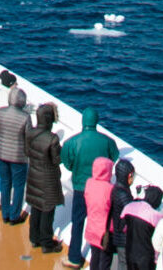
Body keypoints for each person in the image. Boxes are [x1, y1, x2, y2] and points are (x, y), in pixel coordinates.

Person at [63, 105, 120, 263]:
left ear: (83, 121)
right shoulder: (107, 141)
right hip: (101, 191)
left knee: (77, 222)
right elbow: (114, 157)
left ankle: (74, 257)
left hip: (81, 187)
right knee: (102, 223)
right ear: (96, 121)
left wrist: (74, 168)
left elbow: (66, 160)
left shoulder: (72, 142)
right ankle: (101, 258)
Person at [0, 76, 34, 225]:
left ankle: (5, 214)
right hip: (19, 158)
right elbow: (28, 139)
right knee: (18, 186)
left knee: (5, 184)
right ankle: (14, 216)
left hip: (1, 155)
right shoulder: (25, 118)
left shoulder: (0, 113)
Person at [26, 101, 67, 251]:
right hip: (48, 179)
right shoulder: (53, 139)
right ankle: (46, 243)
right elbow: (57, 160)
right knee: (47, 211)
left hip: (34, 175)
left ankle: (34, 238)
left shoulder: (30, 133)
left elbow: (27, 152)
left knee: (36, 207)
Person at [81, 156, 118, 270]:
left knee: (95, 258)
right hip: (105, 234)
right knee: (105, 262)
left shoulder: (89, 183)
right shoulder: (110, 189)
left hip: (92, 230)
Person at [118, 184, 163, 270]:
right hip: (146, 257)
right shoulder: (157, 216)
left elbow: (122, 227)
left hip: (130, 252)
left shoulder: (129, 206)